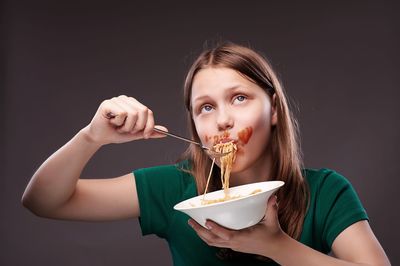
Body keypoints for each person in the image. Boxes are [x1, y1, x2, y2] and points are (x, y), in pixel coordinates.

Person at [22, 42, 390, 266]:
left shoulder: (325, 191)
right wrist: (92, 137)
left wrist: (277, 246)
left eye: (240, 98)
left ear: (273, 109)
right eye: (206, 108)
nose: (224, 121)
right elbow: (43, 201)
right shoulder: (174, 188)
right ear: (195, 123)